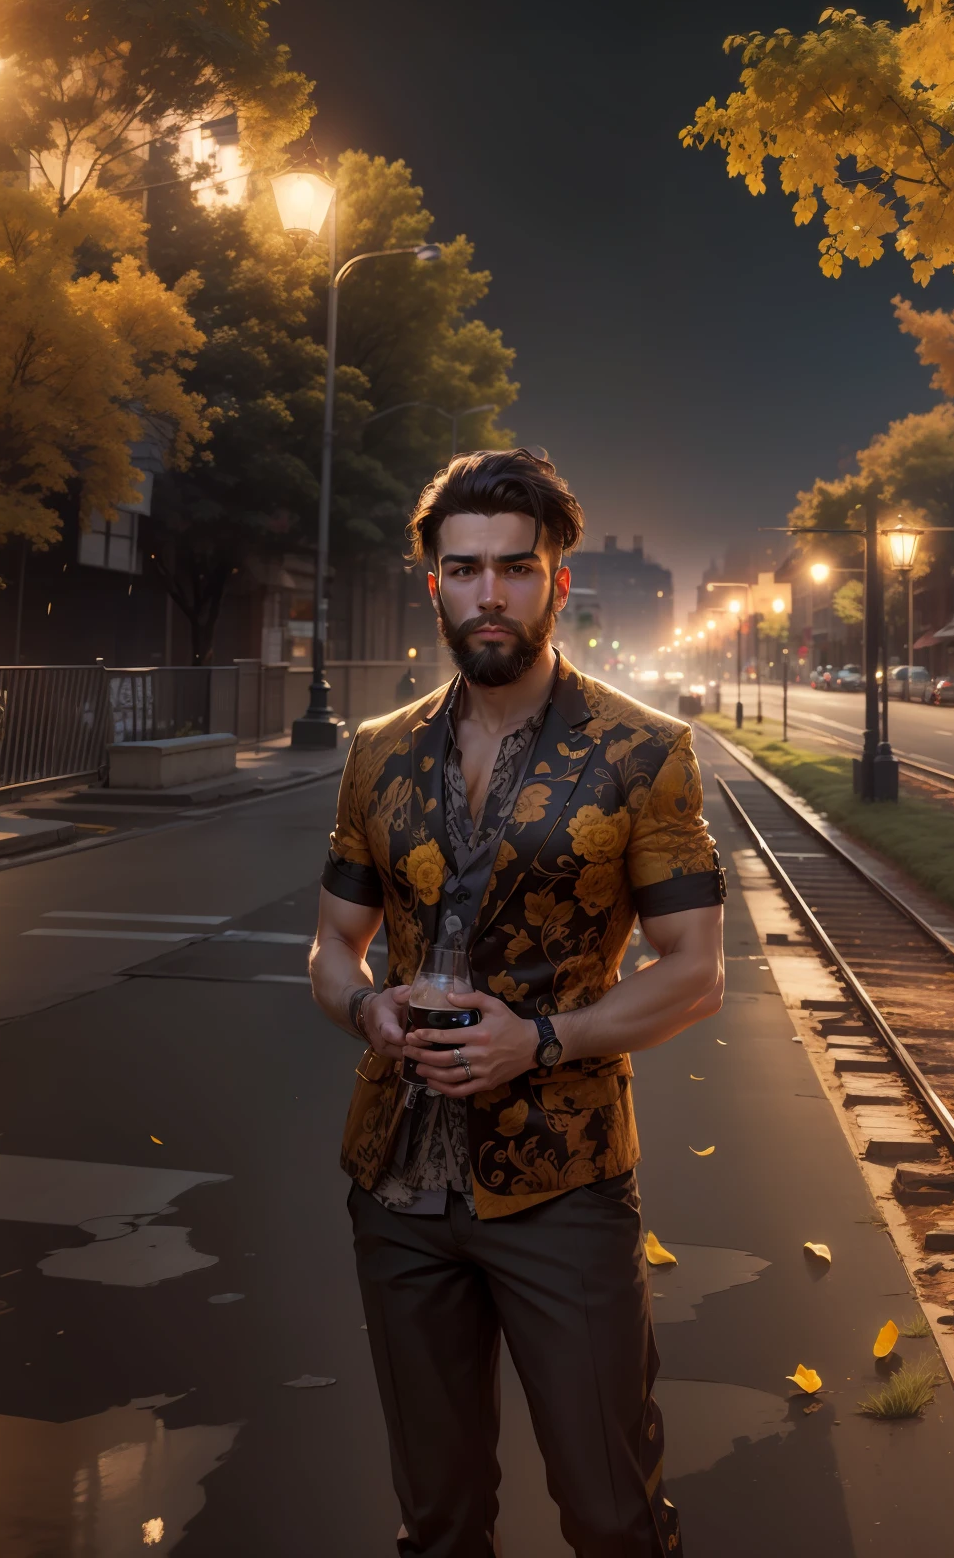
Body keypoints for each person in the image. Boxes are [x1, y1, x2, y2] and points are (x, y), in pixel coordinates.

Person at [310, 448, 725, 1558]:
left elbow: (695, 971)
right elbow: (331, 946)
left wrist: (539, 1040)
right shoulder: (374, 753)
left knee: (610, 1510)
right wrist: (365, 1010)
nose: (487, 592)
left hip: (567, 1183)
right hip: (395, 1182)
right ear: (434, 582)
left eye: (513, 568)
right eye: (462, 569)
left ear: (556, 584)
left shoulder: (646, 752)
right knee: (438, 1521)